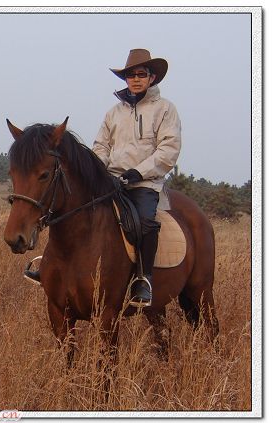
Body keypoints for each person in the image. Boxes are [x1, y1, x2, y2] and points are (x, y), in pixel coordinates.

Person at [26, 49, 181, 308]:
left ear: (152, 78)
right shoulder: (114, 112)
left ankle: (143, 279)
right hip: (111, 181)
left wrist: (138, 172)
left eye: (141, 74)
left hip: (144, 183)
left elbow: (168, 149)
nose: (135, 79)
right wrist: (98, 171)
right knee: (76, 212)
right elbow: (101, 147)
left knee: (144, 222)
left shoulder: (165, 110)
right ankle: (52, 267)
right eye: (130, 75)